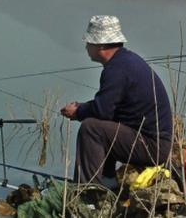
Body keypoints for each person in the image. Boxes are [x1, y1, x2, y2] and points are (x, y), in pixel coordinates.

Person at [60, 15, 173, 187]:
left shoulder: (117, 69)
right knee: (103, 125)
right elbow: (107, 107)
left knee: (91, 128)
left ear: (102, 45)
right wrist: (83, 108)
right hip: (153, 142)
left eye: (89, 42)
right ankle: (108, 184)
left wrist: (78, 112)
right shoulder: (124, 61)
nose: (86, 46)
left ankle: (87, 192)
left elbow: (102, 111)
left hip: (153, 147)